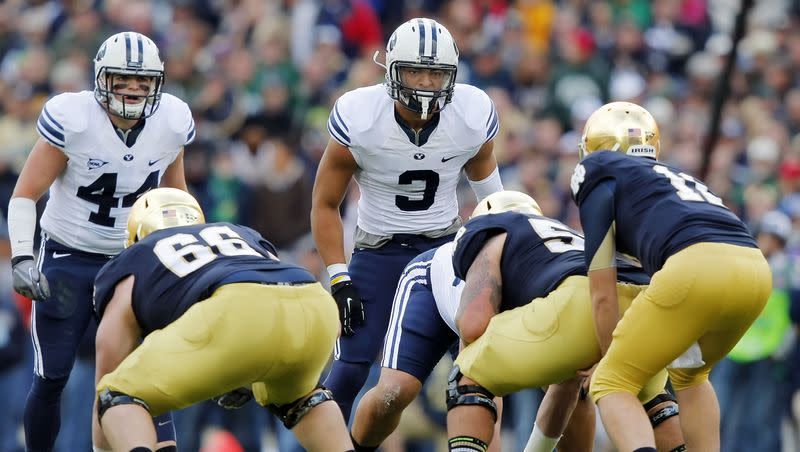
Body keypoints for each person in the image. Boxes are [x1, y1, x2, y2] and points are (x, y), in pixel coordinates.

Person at [310, 17, 504, 425]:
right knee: (347, 372)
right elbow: (325, 205)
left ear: (452, 75)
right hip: (378, 249)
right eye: (415, 70)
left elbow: (493, 202)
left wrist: (496, 262)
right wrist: (339, 276)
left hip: (446, 250)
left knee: (481, 368)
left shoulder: (470, 115)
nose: (426, 83)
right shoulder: (360, 117)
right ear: (392, 70)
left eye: (436, 72)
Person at [7, 31, 192, 451]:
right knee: (53, 374)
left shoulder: (172, 122)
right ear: (100, 79)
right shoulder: (74, 118)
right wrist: (21, 255)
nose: (132, 89)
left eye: (142, 81)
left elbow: (176, 198)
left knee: (145, 366)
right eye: (122, 80)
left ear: (157, 84)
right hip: (67, 256)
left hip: (132, 260)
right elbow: (25, 193)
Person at [570, 101, 772, 452]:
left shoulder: (599, 169)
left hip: (697, 265)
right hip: (754, 269)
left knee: (612, 382)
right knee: (691, 375)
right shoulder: (675, 176)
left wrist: (608, 355)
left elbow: (602, 290)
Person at [91, 188, 352, 452]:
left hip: (238, 312)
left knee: (116, 395)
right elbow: (272, 292)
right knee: (300, 399)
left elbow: (109, 355)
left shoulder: (135, 257)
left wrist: (104, 439)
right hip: (313, 302)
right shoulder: (240, 233)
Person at [445, 191, 685, 452]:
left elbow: (473, 323)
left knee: (466, 376)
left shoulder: (493, 228)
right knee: (649, 396)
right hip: (645, 301)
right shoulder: (565, 234)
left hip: (582, 301)